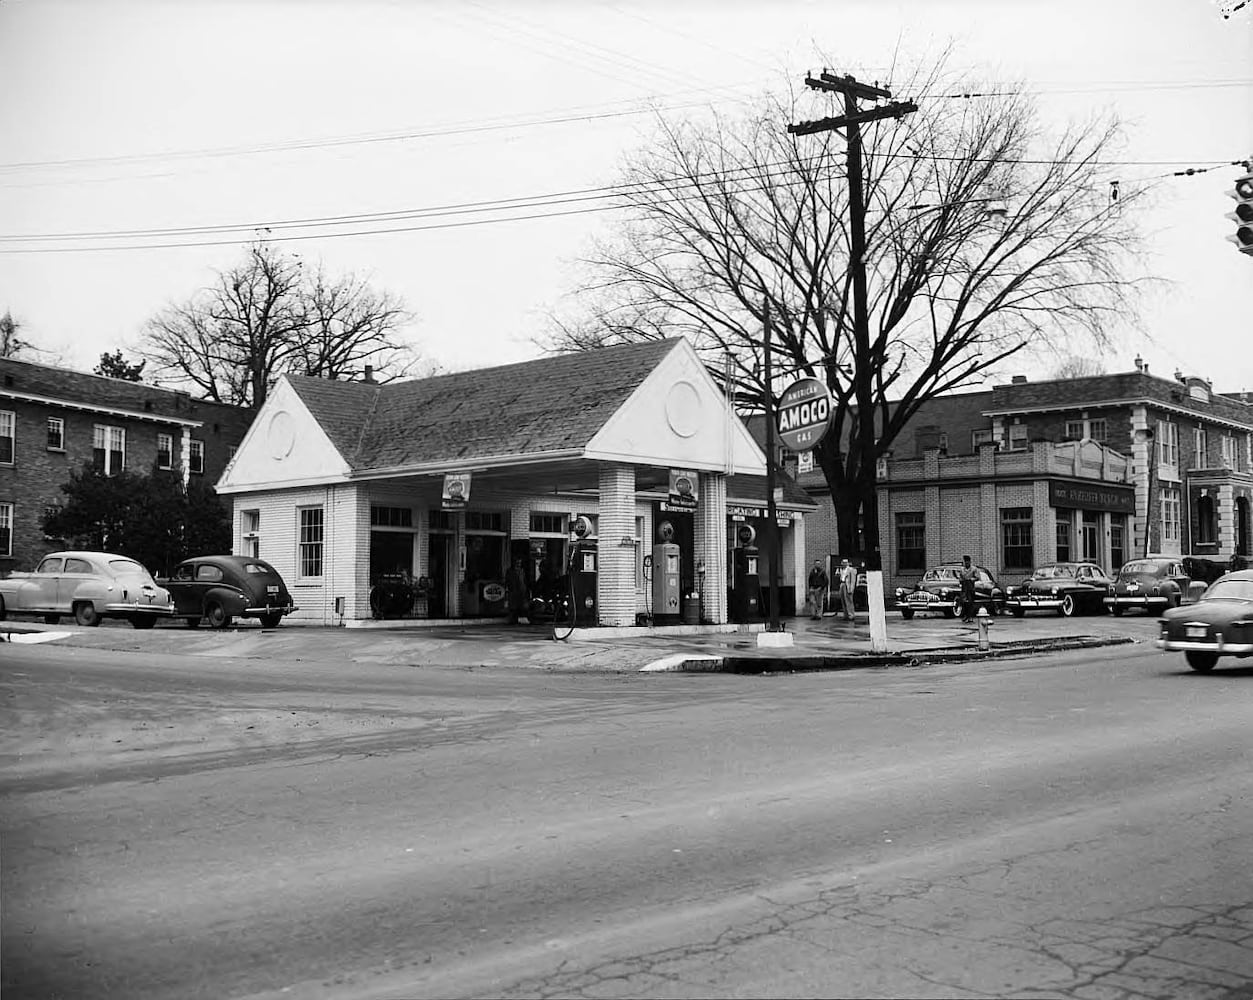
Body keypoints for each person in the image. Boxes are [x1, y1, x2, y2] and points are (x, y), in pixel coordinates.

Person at [504, 558, 529, 625]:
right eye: (517, 562)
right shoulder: (510, 571)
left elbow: (523, 581)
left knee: (520, 605)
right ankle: (513, 619)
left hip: (521, 591)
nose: (518, 564)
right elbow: (507, 581)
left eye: (520, 563)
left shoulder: (522, 571)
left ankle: (518, 618)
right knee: (513, 606)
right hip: (513, 591)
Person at [959, 554, 979, 623]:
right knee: (964, 602)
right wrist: (961, 580)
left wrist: (971, 579)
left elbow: (977, 577)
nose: (966, 563)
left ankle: (970, 616)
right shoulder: (962, 569)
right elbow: (960, 577)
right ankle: (965, 616)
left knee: (970, 603)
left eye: (968, 561)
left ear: (970, 562)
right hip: (964, 587)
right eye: (965, 561)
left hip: (971, 587)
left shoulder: (974, 569)